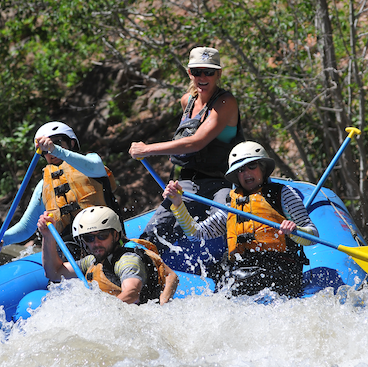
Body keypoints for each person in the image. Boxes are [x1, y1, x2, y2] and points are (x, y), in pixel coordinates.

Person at [163, 141, 319, 298]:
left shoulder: (283, 194)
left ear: (263, 168)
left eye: (252, 166)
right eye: (241, 170)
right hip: (241, 273)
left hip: (279, 271)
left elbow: (313, 236)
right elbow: (196, 233)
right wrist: (178, 203)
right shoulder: (231, 206)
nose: (246, 173)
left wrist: (295, 231)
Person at [129, 46, 244, 254]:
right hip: (190, 181)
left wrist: (147, 149)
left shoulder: (226, 102)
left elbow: (196, 142)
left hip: (223, 181)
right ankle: (143, 261)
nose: (202, 77)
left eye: (209, 72)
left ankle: (231, 260)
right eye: (196, 71)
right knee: (158, 227)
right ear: (189, 73)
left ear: (218, 74)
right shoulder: (187, 101)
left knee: (225, 217)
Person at [0, 121, 120, 259]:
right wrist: (2, 239)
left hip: (105, 240)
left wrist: (56, 150)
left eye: (57, 142)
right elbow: (27, 227)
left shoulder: (91, 161)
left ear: (71, 143)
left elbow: (94, 166)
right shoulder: (43, 185)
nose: (50, 151)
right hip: (71, 252)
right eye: (45, 150)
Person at [37, 206, 178, 305]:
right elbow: (54, 273)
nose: (96, 243)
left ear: (115, 235)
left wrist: (103, 316)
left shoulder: (127, 260)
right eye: (89, 238)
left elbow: (132, 292)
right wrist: (47, 237)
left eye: (102, 236)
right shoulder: (94, 260)